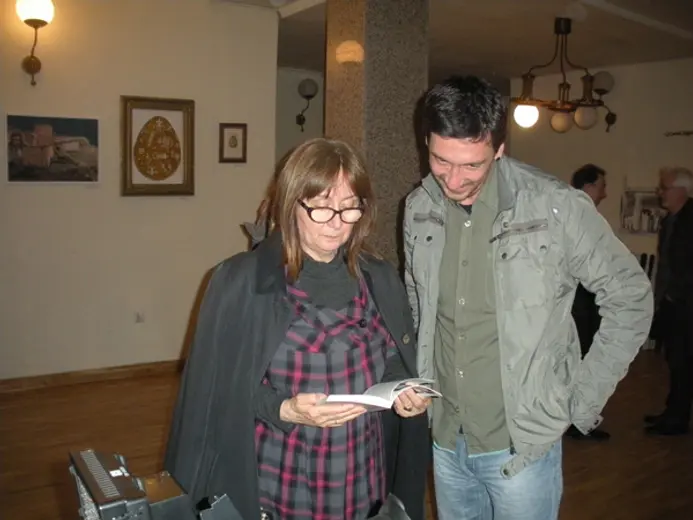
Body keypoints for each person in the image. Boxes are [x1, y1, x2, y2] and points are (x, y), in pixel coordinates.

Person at [403, 75, 653, 520]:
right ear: (427, 142)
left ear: (499, 149)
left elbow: (630, 296)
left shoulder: (555, 206)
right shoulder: (418, 207)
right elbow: (417, 303)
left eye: (472, 165)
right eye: (441, 160)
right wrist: (413, 379)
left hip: (521, 446)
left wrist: (581, 399)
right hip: (444, 437)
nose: (453, 180)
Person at [164, 137, 431, 520]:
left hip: (361, 470)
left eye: (349, 207)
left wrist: (402, 389)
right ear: (292, 204)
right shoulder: (243, 281)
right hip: (283, 475)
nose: (337, 223)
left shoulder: (378, 278)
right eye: (321, 207)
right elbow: (215, 391)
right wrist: (283, 408)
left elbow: (391, 359)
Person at [644, 166, 693, 436]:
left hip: (686, 305)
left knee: (683, 362)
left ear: (681, 191)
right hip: (672, 303)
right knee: (674, 360)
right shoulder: (669, 221)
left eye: (664, 188)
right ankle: (672, 412)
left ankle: (677, 419)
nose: (660, 192)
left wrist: (679, 292)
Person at [564, 164, 611, 441]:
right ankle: (578, 420)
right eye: (602, 187)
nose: (605, 193)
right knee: (581, 360)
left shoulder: (580, 214)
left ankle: (580, 418)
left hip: (585, 301)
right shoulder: (576, 215)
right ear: (589, 187)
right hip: (579, 302)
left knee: (584, 359)